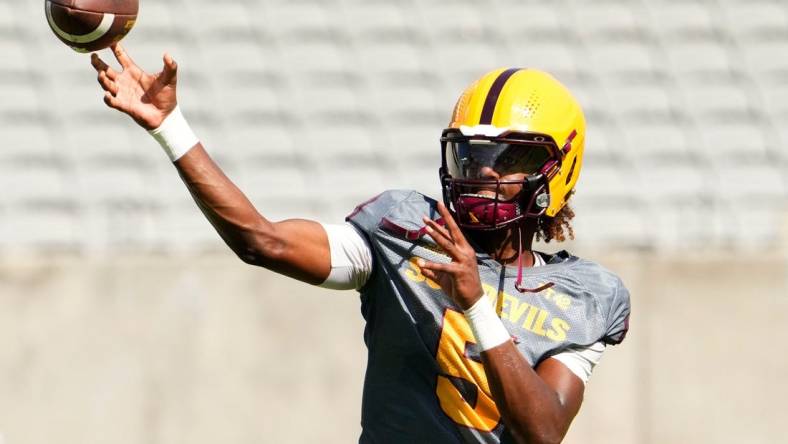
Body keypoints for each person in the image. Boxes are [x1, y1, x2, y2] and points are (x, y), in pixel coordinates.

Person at [90, 45, 630, 444]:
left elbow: (543, 431)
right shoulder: (404, 230)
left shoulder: (587, 295)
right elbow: (263, 241)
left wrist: (475, 305)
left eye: (508, 160)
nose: (483, 173)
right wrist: (171, 127)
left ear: (558, 170)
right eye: (472, 156)